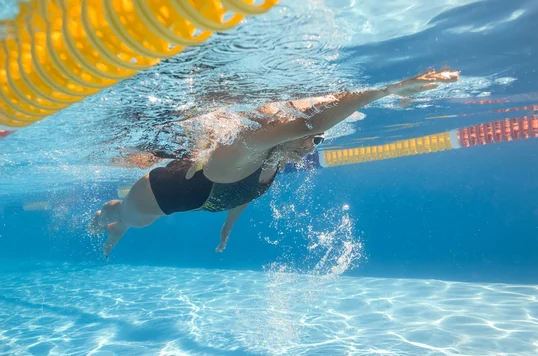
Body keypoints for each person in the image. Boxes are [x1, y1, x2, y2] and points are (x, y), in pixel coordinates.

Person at [87, 68, 460, 257]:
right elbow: (308, 122)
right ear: (284, 132)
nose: (311, 147)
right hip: (155, 197)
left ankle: (113, 223)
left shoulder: (272, 160)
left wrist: (228, 230)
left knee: (136, 221)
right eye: (308, 139)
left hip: (190, 196)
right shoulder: (244, 147)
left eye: (318, 142)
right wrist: (386, 90)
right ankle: (106, 221)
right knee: (126, 218)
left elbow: (244, 194)